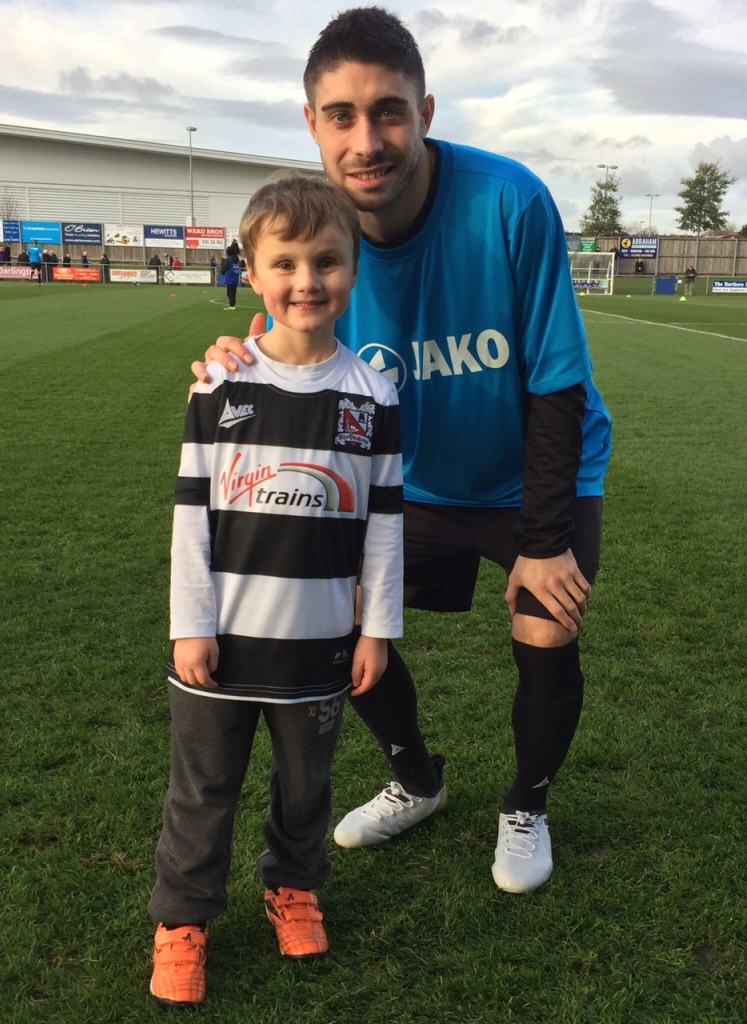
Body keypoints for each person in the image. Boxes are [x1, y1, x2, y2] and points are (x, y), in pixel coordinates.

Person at [192, 6, 611, 896]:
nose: (366, 138)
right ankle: (418, 778)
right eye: (341, 115)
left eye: (388, 110)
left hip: (533, 469)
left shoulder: (510, 199)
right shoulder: (320, 234)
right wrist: (232, 360)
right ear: (312, 124)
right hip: (410, 483)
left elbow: (556, 384)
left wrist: (542, 540)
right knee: (335, 623)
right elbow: (287, 356)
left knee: (547, 626)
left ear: (424, 110)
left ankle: (526, 803)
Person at [149, 173, 404, 1008]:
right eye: (285, 263)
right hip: (222, 641)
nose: (306, 281)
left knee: (307, 788)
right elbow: (191, 517)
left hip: (321, 638)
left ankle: (292, 886)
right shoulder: (219, 387)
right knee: (203, 789)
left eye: (326, 261)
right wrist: (191, 624)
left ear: (352, 270)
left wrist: (377, 631)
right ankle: (182, 923)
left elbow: (384, 523)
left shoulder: (373, 394)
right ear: (252, 273)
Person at [220, 241, 240, 309]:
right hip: (235, 278)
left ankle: (231, 305)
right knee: (233, 292)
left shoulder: (229, 260)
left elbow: (224, 269)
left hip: (230, 278)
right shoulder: (236, 259)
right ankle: (232, 305)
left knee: (229, 293)